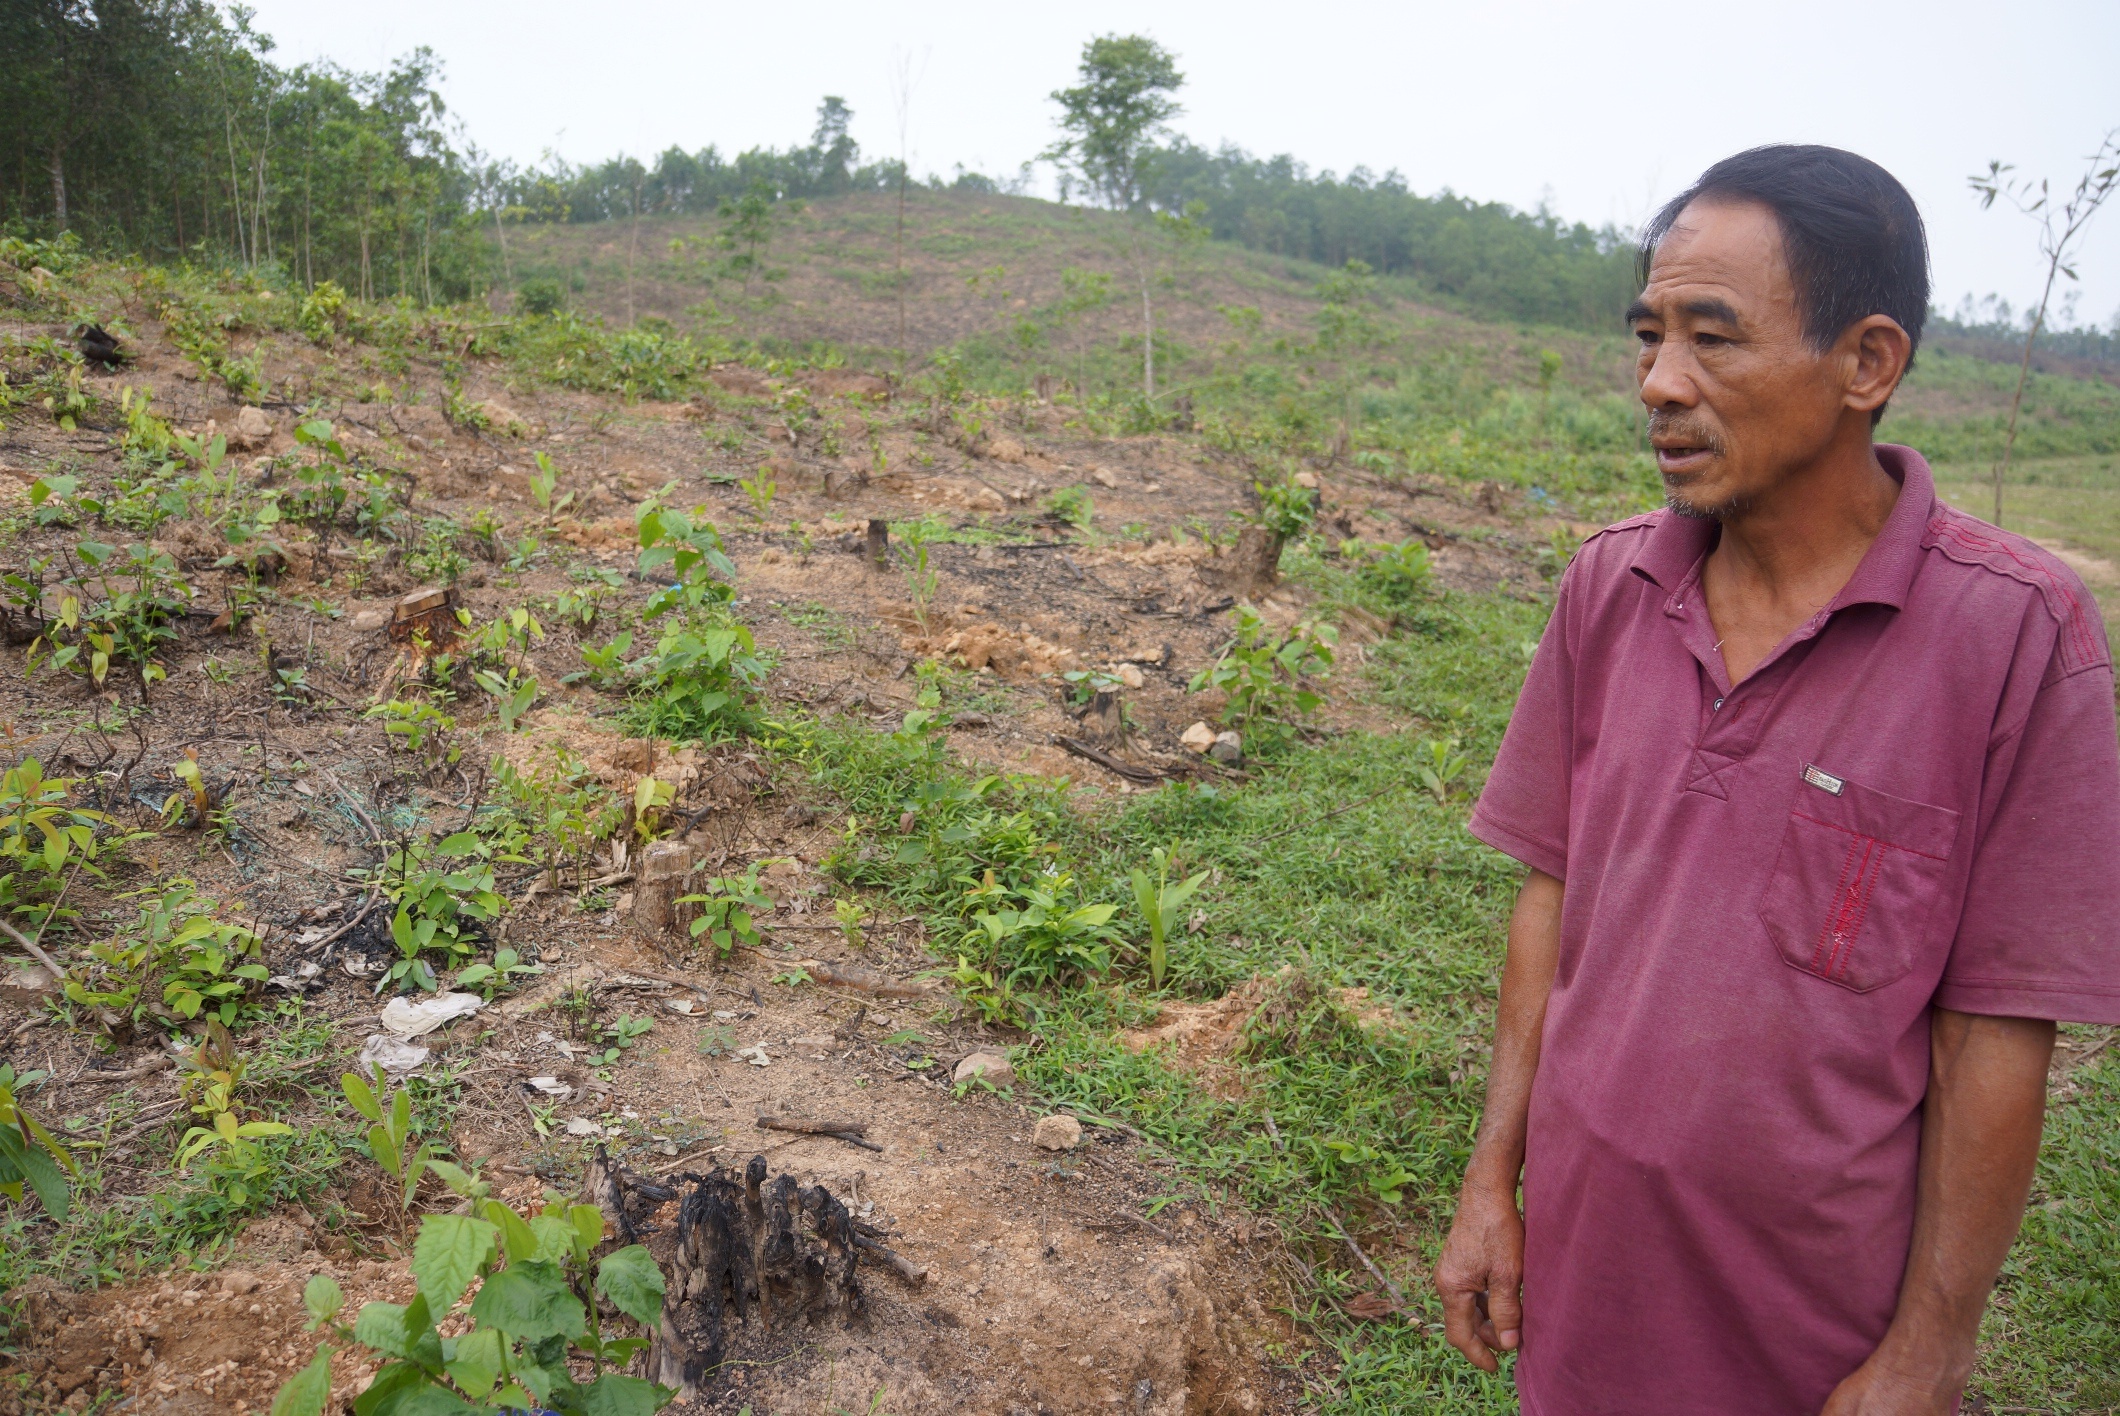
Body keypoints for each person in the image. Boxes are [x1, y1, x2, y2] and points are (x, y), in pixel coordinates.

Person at [1434, 144, 2120, 1415]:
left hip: (1810, 1345)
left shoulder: (2012, 639)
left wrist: (1926, 1352)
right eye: (1647, 335)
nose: (1657, 383)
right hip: (1580, 1301)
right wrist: (1490, 1185)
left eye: (1712, 339)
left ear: (1866, 364)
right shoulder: (1609, 586)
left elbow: (1994, 1033)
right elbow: (1550, 897)